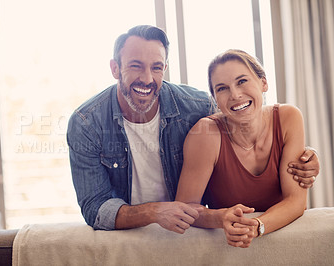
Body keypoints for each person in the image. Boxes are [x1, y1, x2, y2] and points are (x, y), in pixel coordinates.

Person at [66, 25, 319, 234]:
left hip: (185, 233)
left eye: (156, 67)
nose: (146, 78)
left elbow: (239, 122)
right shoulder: (86, 123)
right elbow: (95, 208)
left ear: (165, 68)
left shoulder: (196, 106)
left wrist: (303, 154)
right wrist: (154, 211)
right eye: (135, 65)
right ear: (115, 68)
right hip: (130, 232)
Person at [176, 49, 309, 247]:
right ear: (215, 99)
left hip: (283, 240)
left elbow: (296, 201)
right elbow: (185, 209)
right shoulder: (205, 133)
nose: (235, 95)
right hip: (229, 247)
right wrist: (220, 218)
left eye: (242, 81)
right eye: (222, 88)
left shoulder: (289, 118)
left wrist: (257, 226)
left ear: (263, 83)